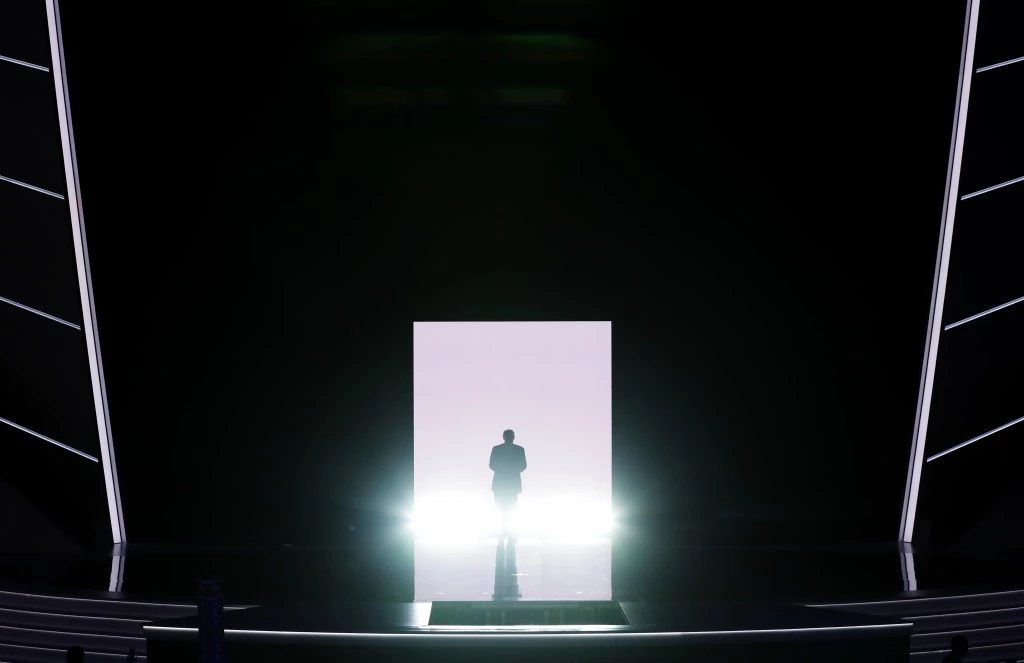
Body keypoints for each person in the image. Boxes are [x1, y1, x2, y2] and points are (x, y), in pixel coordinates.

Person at [489, 429, 527, 536]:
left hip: (510, 483)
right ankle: (504, 530)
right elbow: (492, 464)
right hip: (503, 483)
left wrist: (507, 470)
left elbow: (523, 465)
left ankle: (508, 531)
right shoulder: (496, 449)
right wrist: (508, 470)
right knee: (501, 507)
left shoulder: (519, 450)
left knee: (511, 506)